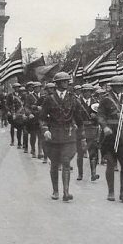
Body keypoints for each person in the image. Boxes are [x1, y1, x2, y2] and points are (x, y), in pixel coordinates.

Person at [39, 72, 81, 202]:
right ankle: (55, 190)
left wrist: (81, 134)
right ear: (57, 83)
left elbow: (79, 118)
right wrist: (45, 129)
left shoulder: (73, 98)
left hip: (68, 135)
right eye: (63, 81)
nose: (66, 83)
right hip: (53, 136)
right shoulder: (49, 99)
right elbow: (41, 118)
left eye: (67, 81)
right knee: (55, 164)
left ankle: (66, 192)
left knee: (66, 162)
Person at [98, 76, 123, 203]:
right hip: (110, 134)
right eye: (117, 86)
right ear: (112, 87)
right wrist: (105, 127)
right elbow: (100, 115)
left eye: (121, 86)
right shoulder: (105, 99)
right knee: (111, 163)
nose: (120, 88)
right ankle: (111, 192)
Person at [75, 83, 100, 180]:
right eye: (85, 91)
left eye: (89, 91)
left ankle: (93, 173)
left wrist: (96, 117)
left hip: (92, 128)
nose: (87, 93)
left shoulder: (96, 102)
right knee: (80, 152)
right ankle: (80, 174)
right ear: (82, 92)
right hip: (81, 128)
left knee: (93, 152)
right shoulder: (77, 102)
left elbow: (102, 116)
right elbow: (72, 114)